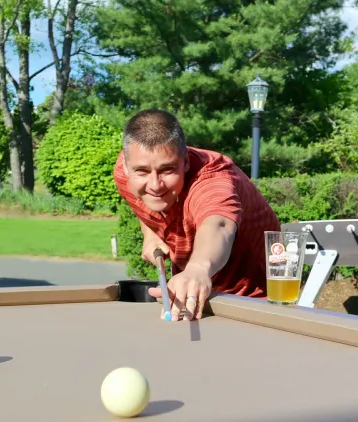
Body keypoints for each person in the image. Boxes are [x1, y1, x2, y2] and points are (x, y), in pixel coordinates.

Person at [113, 109, 281, 320]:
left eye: (167, 169)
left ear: (186, 162)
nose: (155, 185)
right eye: (142, 171)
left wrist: (198, 269)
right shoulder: (124, 173)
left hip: (252, 306)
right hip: (189, 299)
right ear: (126, 167)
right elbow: (142, 201)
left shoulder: (212, 179)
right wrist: (150, 233)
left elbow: (218, 224)